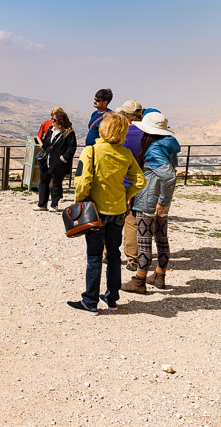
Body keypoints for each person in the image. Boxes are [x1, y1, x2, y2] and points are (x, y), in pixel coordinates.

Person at [67, 113, 145, 315]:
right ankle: (112, 298)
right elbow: (139, 181)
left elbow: (82, 182)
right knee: (113, 255)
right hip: (118, 210)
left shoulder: (91, 150)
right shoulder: (126, 154)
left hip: (96, 212)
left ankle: (90, 301)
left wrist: (82, 202)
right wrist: (124, 197)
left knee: (94, 257)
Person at [121, 112, 180, 294]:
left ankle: (139, 280)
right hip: (160, 201)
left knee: (144, 242)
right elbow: (171, 173)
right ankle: (159, 276)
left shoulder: (153, 149)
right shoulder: (167, 146)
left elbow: (169, 177)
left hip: (149, 201)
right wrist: (164, 202)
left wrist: (163, 201)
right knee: (161, 240)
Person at [115, 100, 144, 271]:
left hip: (117, 181)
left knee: (110, 218)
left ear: (124, 115)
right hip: (136, 182)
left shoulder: (119, 133)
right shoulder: (146, 134)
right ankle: (132, 259)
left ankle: (106, 252)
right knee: (131, 221)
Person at [33, 107, 77, 213]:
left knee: (56, 184)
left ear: (60, 120)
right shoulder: (50, 131)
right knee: (44, 182)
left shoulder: (68, 133)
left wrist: (64, 158)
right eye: (52, 118)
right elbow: (46, 143)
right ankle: (42, 204)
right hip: (46, 161)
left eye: (54, 119)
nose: (52, 121)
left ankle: (54, 204)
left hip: (58, 163)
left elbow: (71, 147)